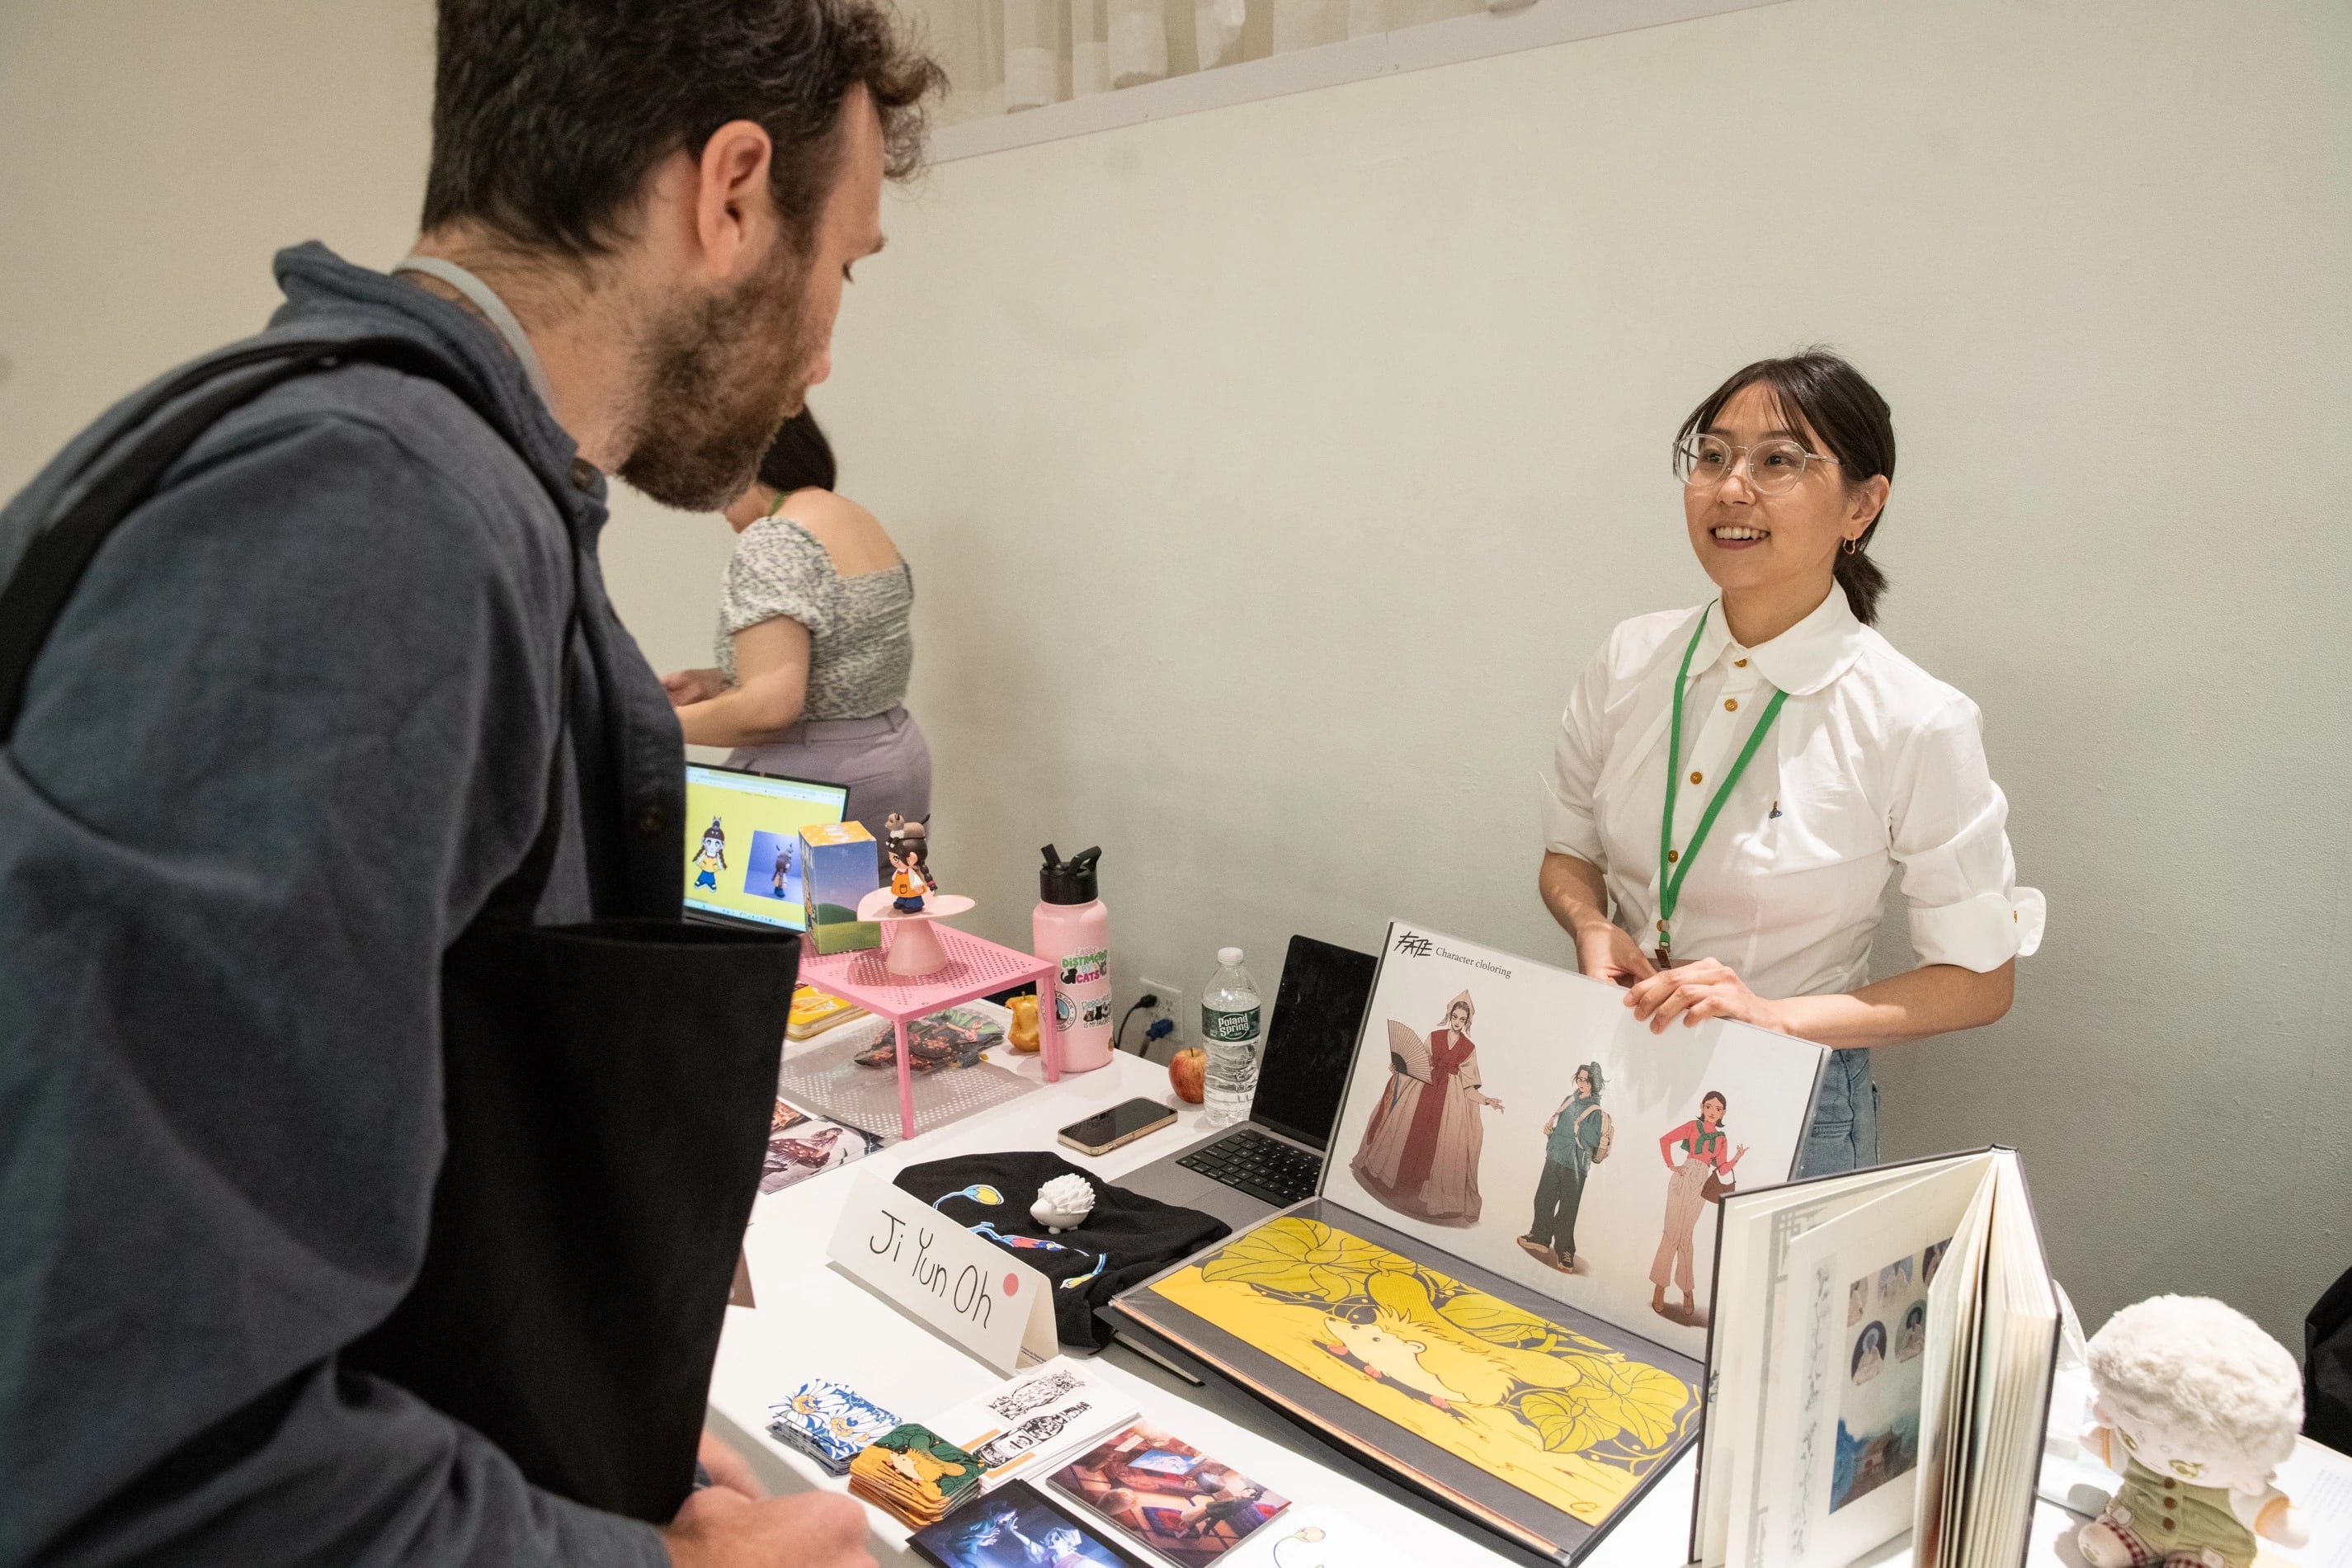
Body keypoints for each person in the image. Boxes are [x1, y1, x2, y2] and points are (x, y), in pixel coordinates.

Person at [0, 3, 942, 1566]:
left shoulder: (422, 496)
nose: (827, 348)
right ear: (729, 191)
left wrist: (579, 1427)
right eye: (841, 266)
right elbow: (135, 1459)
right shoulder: (364, 526)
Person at [1537, 350, 2045, 1177]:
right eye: (1711, 455)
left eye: (1778, 460)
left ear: (1862, 504)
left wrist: (1768, 1015)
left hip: (1789, 1101)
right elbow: (1567, 854)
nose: (1731, 487)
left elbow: (1980, 981)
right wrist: (1592, 926)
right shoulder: (1630, 658)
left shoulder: (1913, 717)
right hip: (1619, 1057)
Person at [662, 407, 930, 838]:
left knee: (777, 907)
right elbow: (843, 654)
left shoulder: (774, 539)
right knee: (886, 903)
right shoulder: (856, 518)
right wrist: (722, 680)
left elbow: (771, 705)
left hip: (817, 782)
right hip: (894, 759)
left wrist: (644, 726)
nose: (711, 501)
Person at [1350, 991, 1506, 1226]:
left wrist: (1487, 1100)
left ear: (1467, 1022)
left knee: (1435, 1147)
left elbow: (1468, 1088)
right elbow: (1416, 1065)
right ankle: (1395, 1184)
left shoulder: (1469, 1049)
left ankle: (1422, 1196)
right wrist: (1399, 1067)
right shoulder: (1434, 1036)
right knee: (1408, 1135)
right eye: (1455, 1017)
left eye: (1462, 1019)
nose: (1457, 1022)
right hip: (1421, 1092)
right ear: (1449, 1015)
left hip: (1447, 1104)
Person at [1649, 1090, 1746, 1321]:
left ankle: (1687, 1290)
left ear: (1723, 1113)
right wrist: (1672, 1165)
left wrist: (1736, 1158)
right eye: (1709, 1107)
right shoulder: (1693, 1127)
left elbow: (1722, 1168)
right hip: (1683, 1177)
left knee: (1685, 1236)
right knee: (1670, 1233)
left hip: (1702, 1182)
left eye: (1718, 1109)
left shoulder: (1721, 1139)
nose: (1713, 1112)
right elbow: (1665, 1140)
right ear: (1702, 1107)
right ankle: (1660, 1287)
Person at [1520, 1061, 1605, 1272]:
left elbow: (1593, 1140)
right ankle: (1540, 1237)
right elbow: (1562, 1128)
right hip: (1555, 1158)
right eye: (1580, 1079)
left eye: (1586, 1080)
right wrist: (1551, 1131)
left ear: (1594, 1084)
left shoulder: (1595, 1111)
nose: (1582, 1083)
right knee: (1543, 1199)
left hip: (1576, 1167)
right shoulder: (1569, 1100)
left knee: (1568, 1210)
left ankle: (1565, 1250)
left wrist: (1578, 1126)